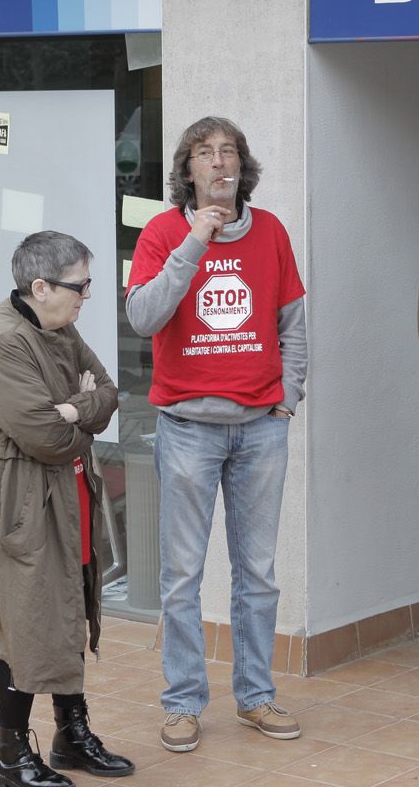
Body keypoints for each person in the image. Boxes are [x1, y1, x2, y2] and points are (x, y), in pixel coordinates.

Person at [127, 116, 306, 752]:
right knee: (182, 576)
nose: (219, 163)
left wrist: (288, 400)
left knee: (257, 572)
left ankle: (256, 697)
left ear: (243, 166)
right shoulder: (162, 233)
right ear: (188, 169)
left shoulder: (273, 232)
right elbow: (144, 318)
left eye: (229, 152)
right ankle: (182, 703)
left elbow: (293, 325)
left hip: (260, 428)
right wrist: (193, 244)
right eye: (205, 154)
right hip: (187, 430)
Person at [0, 230, 132, 787]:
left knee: (66, 604)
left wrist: (75, 407)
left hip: (62, 491)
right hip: (16, 500)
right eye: (80, 286)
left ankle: (71, 733)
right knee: (26, 618)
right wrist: (74, 416)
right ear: (40, 286)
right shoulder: (0, 343)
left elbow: (108, 394)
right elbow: (46, 436)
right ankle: (8, 754)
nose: (87, 295)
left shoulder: (57, 324)